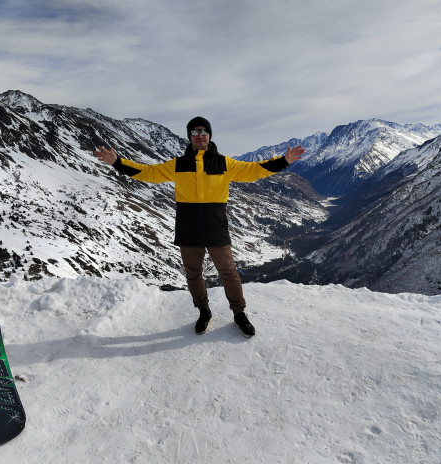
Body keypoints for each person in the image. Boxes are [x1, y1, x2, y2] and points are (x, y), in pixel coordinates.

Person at [95, 117, 304, 337]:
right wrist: (116, 162)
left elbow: (255, 170)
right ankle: (204, 312)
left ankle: (239, 314)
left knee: (229, 273)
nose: (200, 135)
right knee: (193, 274)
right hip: (188, 229)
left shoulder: (225, 163)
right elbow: (147, 173)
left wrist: (283, 161)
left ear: (210, 135)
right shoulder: (178, 164)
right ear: (190, 137)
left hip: (216, 228)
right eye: (195, 132)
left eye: (204, 131)